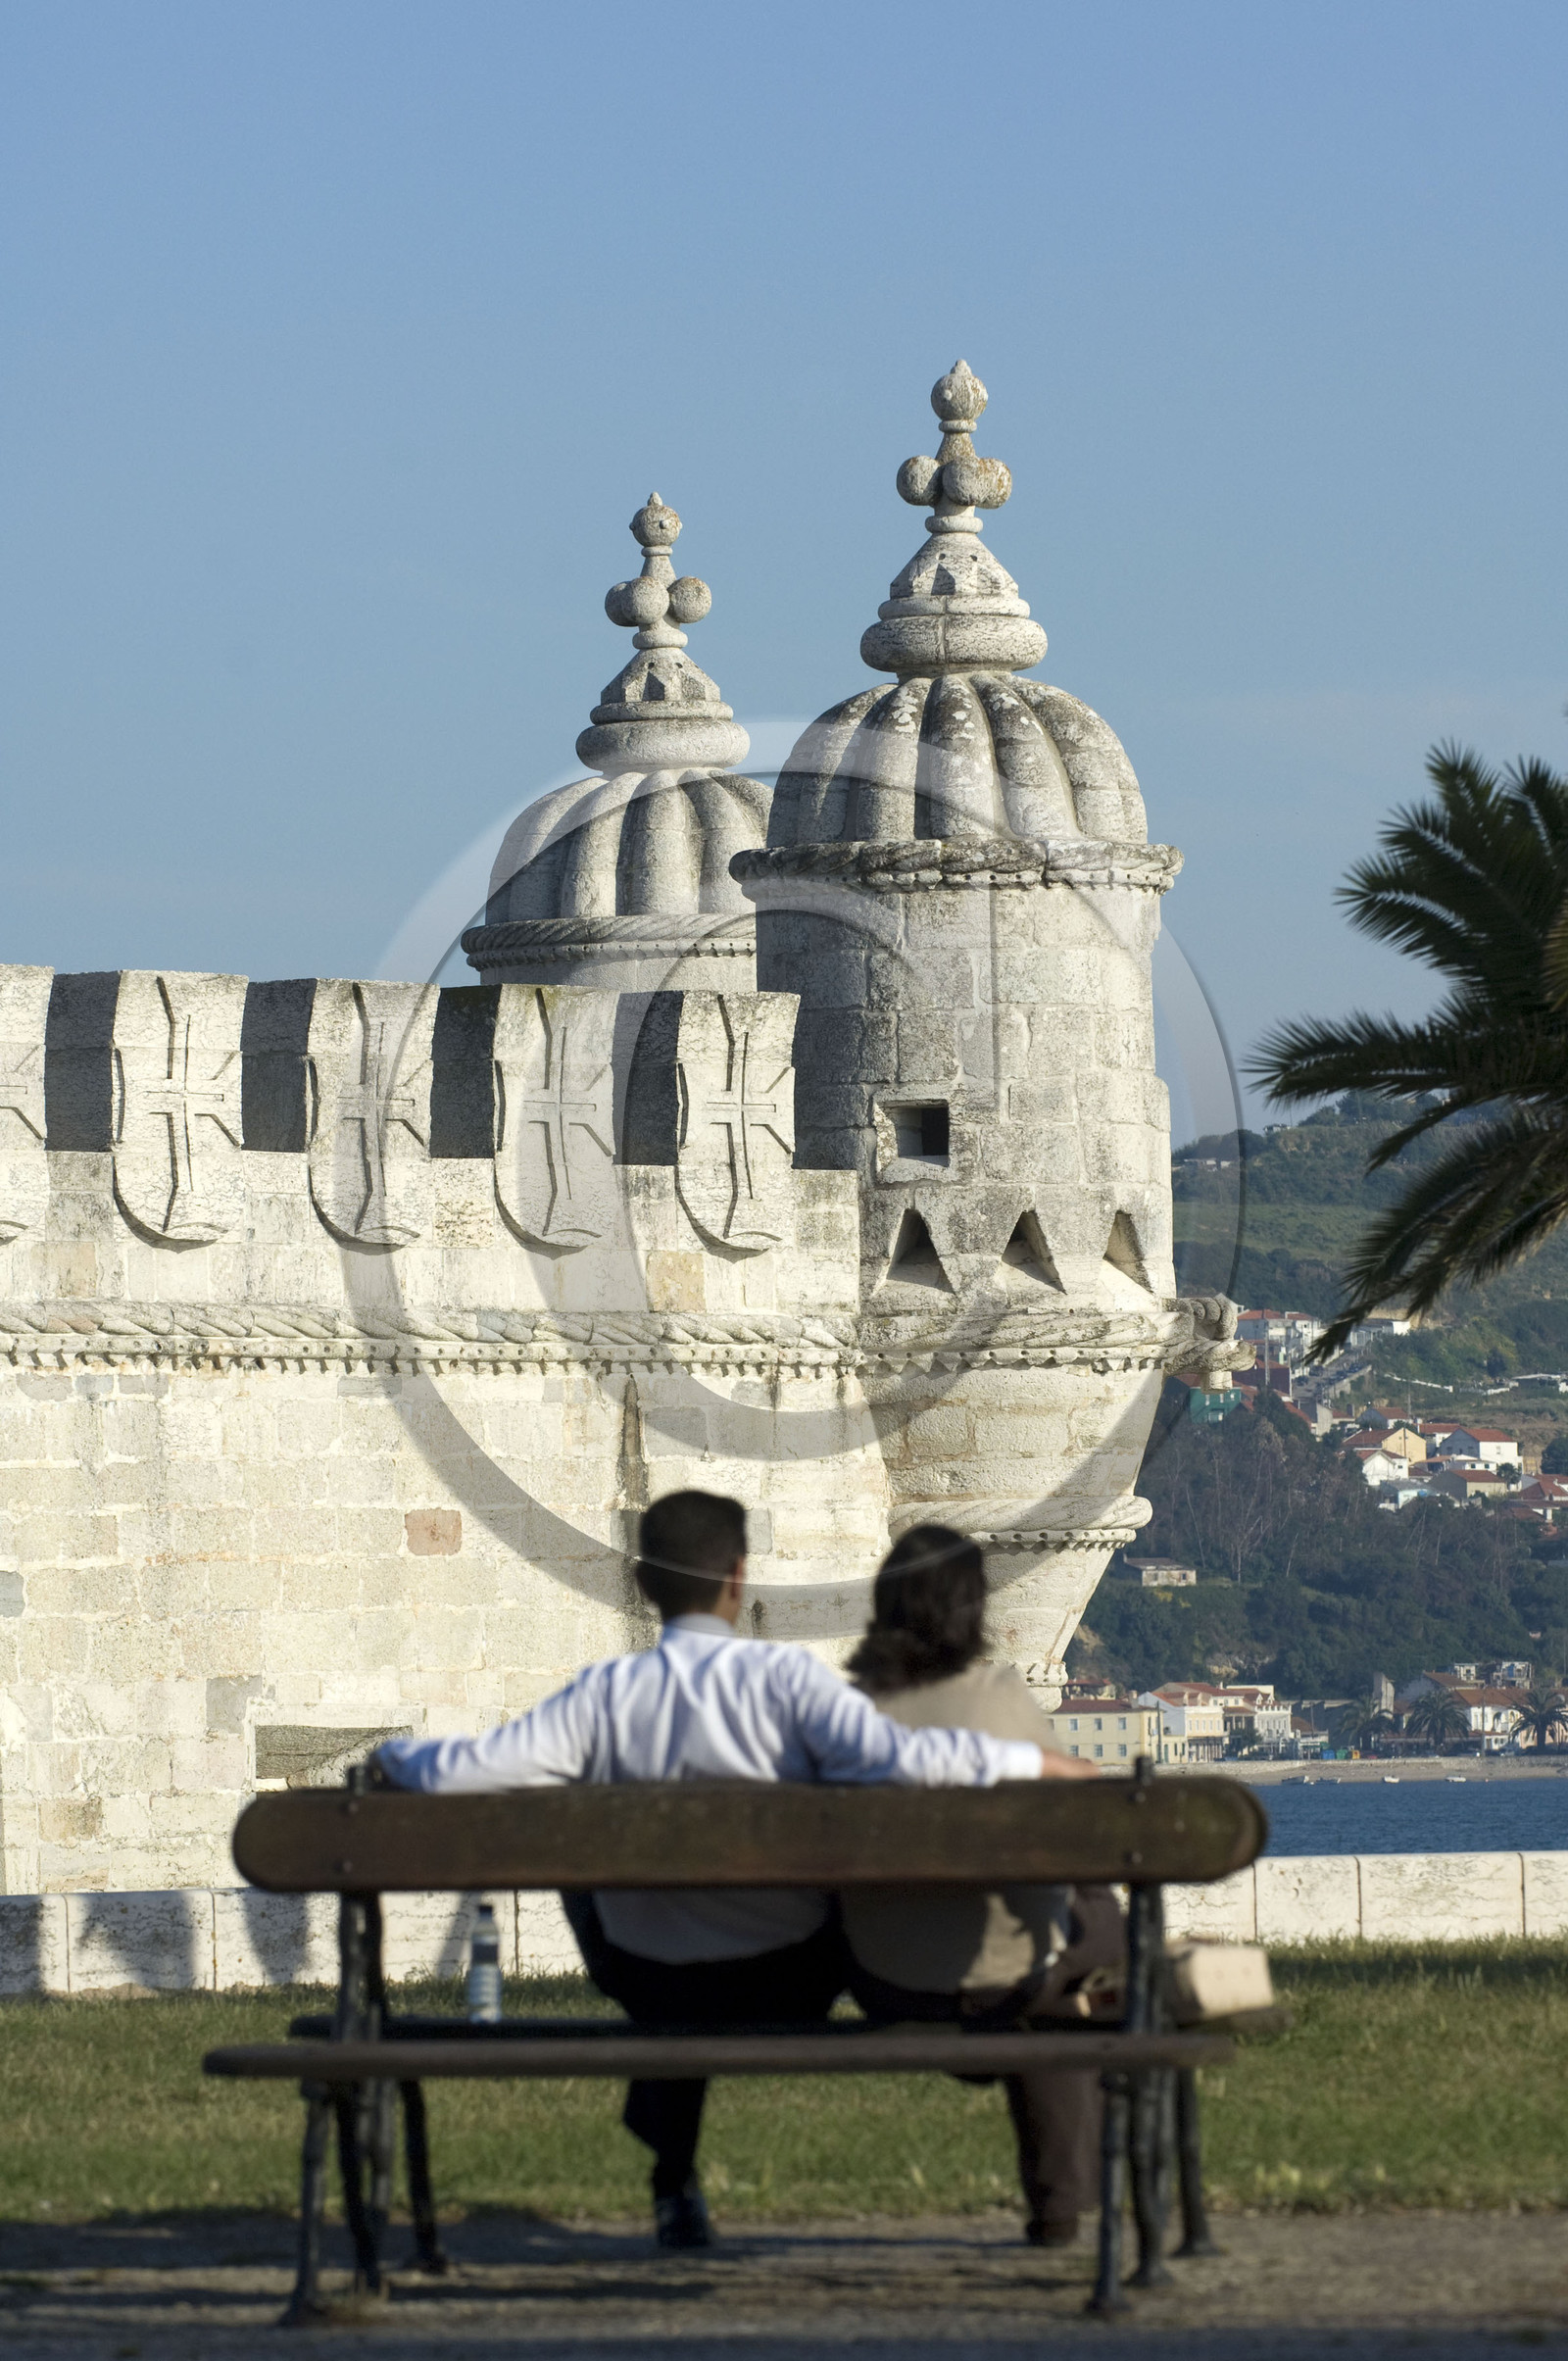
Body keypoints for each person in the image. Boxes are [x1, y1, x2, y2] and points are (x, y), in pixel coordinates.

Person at [374, 1490, 1081, 2251]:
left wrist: (389, 1756)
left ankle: (673, 2177)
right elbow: (901, 1762)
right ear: (739, 1578)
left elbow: (471, 1768)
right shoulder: (788, 1684)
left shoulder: (602, 1696)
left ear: (643, 1584)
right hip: (789, 1984)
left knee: (614, 1896)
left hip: (648, 1976)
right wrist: (1030, 1759)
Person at [839, 1524, 1120, 2250]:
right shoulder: (999, 1699)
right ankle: (1061, 2206)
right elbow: (1082, 1819)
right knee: (1088, 1943)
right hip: (1011, 1977)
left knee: (1060, 1967)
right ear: (973, 1609)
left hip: (885, 1979)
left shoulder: (845, 1715)